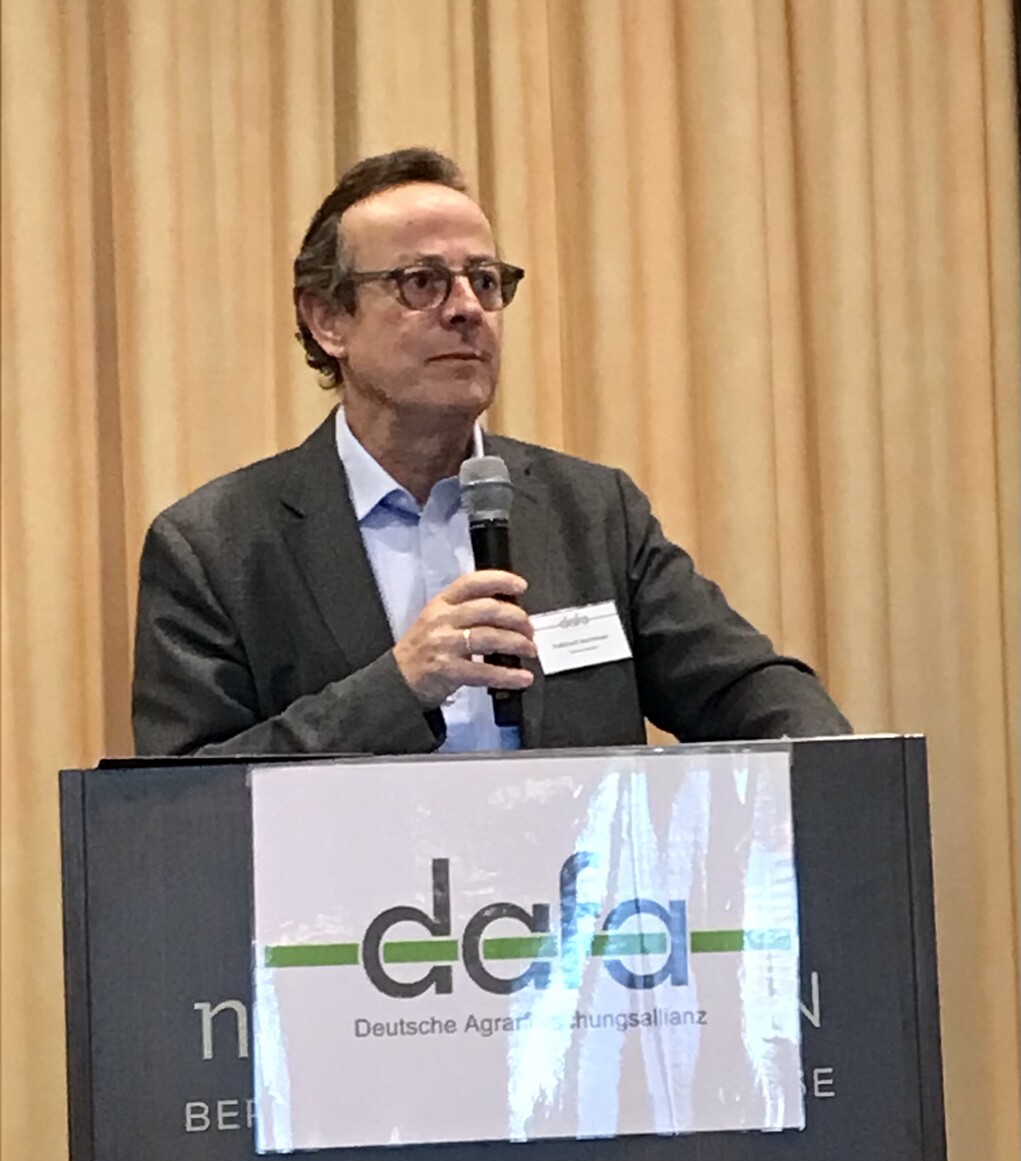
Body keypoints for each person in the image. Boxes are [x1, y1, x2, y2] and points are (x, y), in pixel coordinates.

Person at [132, 147, 850, 757]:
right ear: (327, 321)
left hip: (572, 883)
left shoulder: (594, 513)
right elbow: (184, 801)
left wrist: (839, 769)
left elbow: (743, 689)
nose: (466, 309)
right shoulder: (216, 548)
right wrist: (397, 688)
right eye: (420, 282)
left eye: (484, 281)